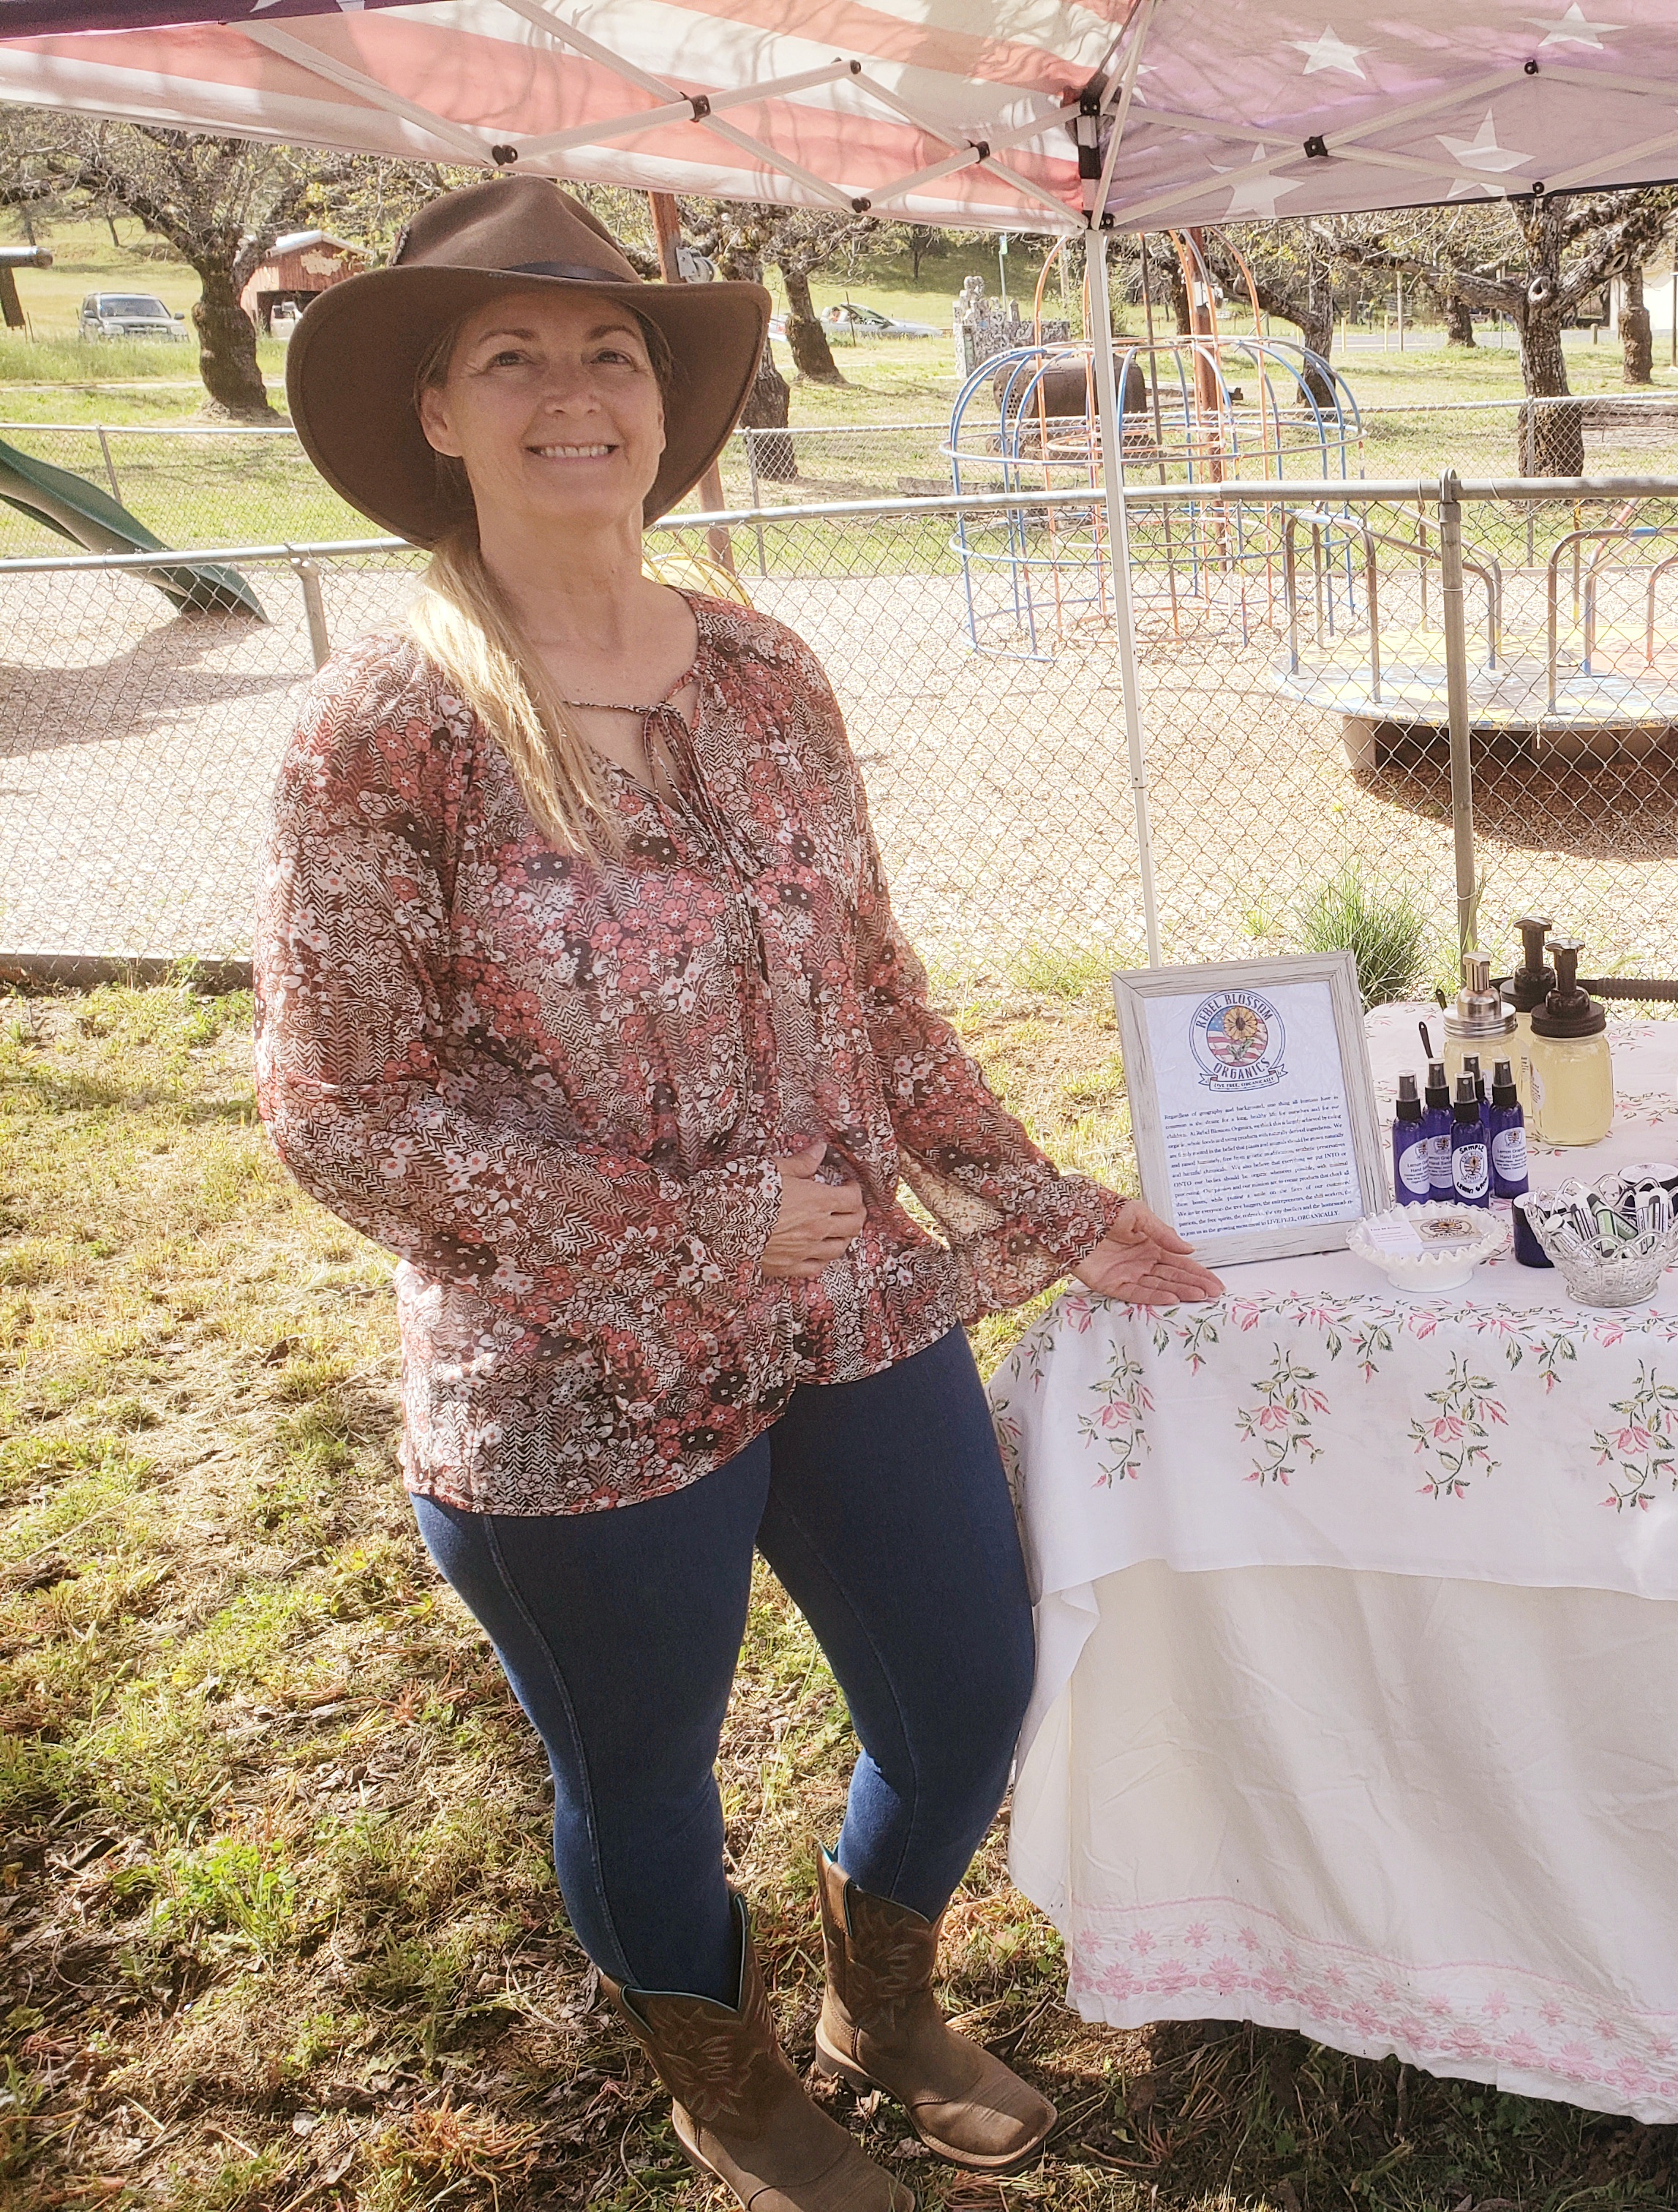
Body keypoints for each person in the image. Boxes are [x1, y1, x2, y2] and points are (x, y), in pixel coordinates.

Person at [255, 178, 1220, 2212]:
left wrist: (1048, 1207)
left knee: (967, 1685)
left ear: (664, 401)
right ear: (435, 410)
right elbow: (340, 1107)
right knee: (644, 1781)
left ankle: (882, 1997)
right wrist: (673, 1231)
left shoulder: (770, 672)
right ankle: (732, 2088)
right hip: (571, 1375)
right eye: (510, 356)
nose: (573, 392)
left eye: (610, 350)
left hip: (847, 1304)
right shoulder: (383, 731)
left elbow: (873, 994)